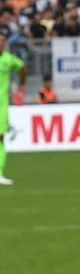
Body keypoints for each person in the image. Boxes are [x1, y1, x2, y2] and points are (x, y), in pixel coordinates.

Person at [0, 32, 27, 186]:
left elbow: (23, 68)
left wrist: (20, 89)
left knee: (0, 137)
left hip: (1, 105)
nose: (1, 43)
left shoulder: (8, 59)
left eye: (3, 41)